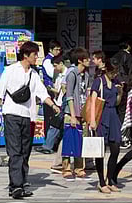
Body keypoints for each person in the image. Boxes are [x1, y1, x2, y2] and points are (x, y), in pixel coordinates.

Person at [0, 41, 58, 199]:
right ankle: (16, 186)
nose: (37, 57)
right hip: (11, 114)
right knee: (15, 151)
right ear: (25, 55)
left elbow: (42, 93)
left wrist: (54, 105)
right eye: (34, 54)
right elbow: (0, 92)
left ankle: (21, 183)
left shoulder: (34, 74)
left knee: (25, 151)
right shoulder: (10, 70)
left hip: (28, 116)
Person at [86, 52, 123, 193]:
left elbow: (117, 102)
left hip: (113, 115)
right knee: (100, 151)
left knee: (115, 148)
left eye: (116, 72)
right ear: (106, 69)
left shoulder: (115, 83)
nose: (115, 75)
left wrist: (120, 93)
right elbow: (93, 101)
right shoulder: (99, 81)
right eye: (113, 72)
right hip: (101, 115)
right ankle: (101, 182)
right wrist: (92, 120)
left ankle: (110, 179)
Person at [60, 47, 89, 179]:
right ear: (80, 60)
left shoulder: (86, 75)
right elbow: (69, 95)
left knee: (81, 139)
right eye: (86, 59)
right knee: (69, 138)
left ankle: (79, 167)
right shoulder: (72, 74)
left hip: (83, 111)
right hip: (71, 111)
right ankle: (66, 167)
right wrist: (72, 115)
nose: (89, 61)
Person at [40, 55, 68, 155]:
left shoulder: (67, 75)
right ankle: (50, 145)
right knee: (56, 125)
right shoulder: (59, 75)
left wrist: (49, 89)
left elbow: (62, 90)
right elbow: (57, 91)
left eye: (56, 66)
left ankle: (48, 146)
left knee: (55, 125)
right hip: (58, 102)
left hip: (63, 104)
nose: (55, 68)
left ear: (61, 63)